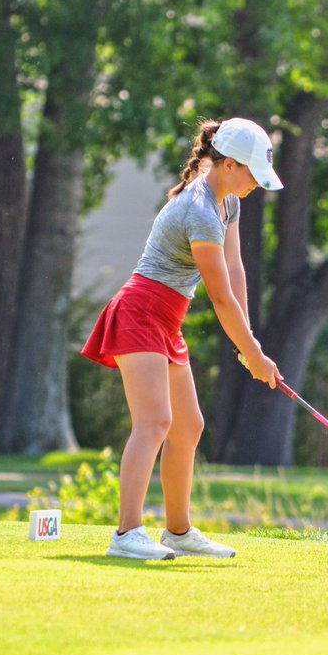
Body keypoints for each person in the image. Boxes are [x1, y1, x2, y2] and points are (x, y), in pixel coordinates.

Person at [81, 117, 283, 560]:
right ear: (228, 164)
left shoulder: (228, 202)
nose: (256, 185)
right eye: (252, 174)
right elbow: (220, 299)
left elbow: (235, 273)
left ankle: (177, 532)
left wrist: (250, 346)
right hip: (140, 311)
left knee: (188, 426)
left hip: (166, 318)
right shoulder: (200, 210)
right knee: (154, 422)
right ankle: (127, 534)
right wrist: (252, 353)